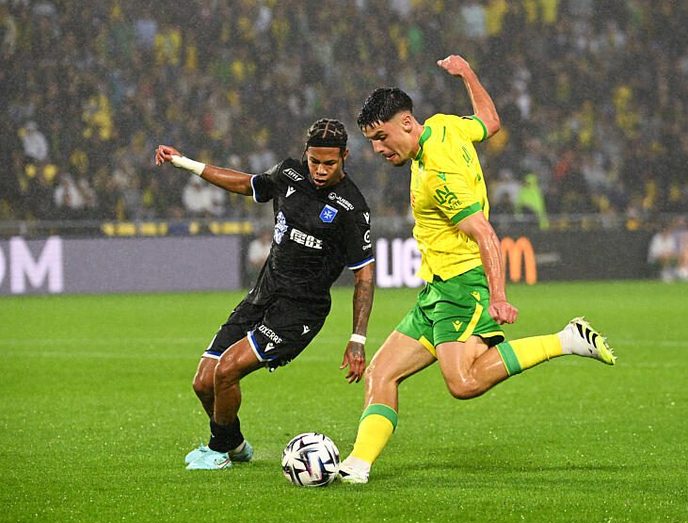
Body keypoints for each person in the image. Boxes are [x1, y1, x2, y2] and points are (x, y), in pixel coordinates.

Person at [337, 55, 617, 484]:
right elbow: (490, 121)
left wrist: (498, 297)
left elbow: (485, 232)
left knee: (463, 383)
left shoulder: (438, 175)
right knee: (381, 372)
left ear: (407, 123)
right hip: (436, 289)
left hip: (461, 285)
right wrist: (468, 74)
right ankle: (357, 465)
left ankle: (566, 340)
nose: (377, 149)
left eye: (381, 137)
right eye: (372, 140)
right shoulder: (444, 126)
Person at [154, 118, 375, 470]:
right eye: (314, 161)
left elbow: (364, 275)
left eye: (329, 163)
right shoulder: (288, 173)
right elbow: (246, 183)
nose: (320, 170)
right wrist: (185, 163)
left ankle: (217, 451)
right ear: (305, 154)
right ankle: (235, 444)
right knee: (203, 382)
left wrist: (357, 338)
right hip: (263, 295)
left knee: (226, 370)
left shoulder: (352, 208)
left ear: (345, 157)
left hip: (299, 312)